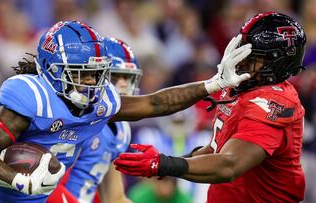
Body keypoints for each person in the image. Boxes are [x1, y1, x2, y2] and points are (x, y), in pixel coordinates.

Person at [0, 20, 251, 203]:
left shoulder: (103, 103)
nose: (90, 83)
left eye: (96, 74)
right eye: (80, 74)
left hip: (38, 199)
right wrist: (16, 178)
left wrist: (212, 84)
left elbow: (156, 103)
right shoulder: (33, 97)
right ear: (52, 69)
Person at [114, 12, 307, 203]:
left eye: (252, 57)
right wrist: (169, 162)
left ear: (277, 63)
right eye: (242, 51)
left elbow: (229, 164)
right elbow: (216, 149)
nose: (242, 61)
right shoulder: (239, 87)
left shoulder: (275, 102)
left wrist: (165, 165)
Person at [46, 37, 142, 203]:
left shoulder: (121, 129)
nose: (123, 85)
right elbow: (48, 185)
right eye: (115, 77)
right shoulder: (81, 119)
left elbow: (115, 198)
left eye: (127, 78)